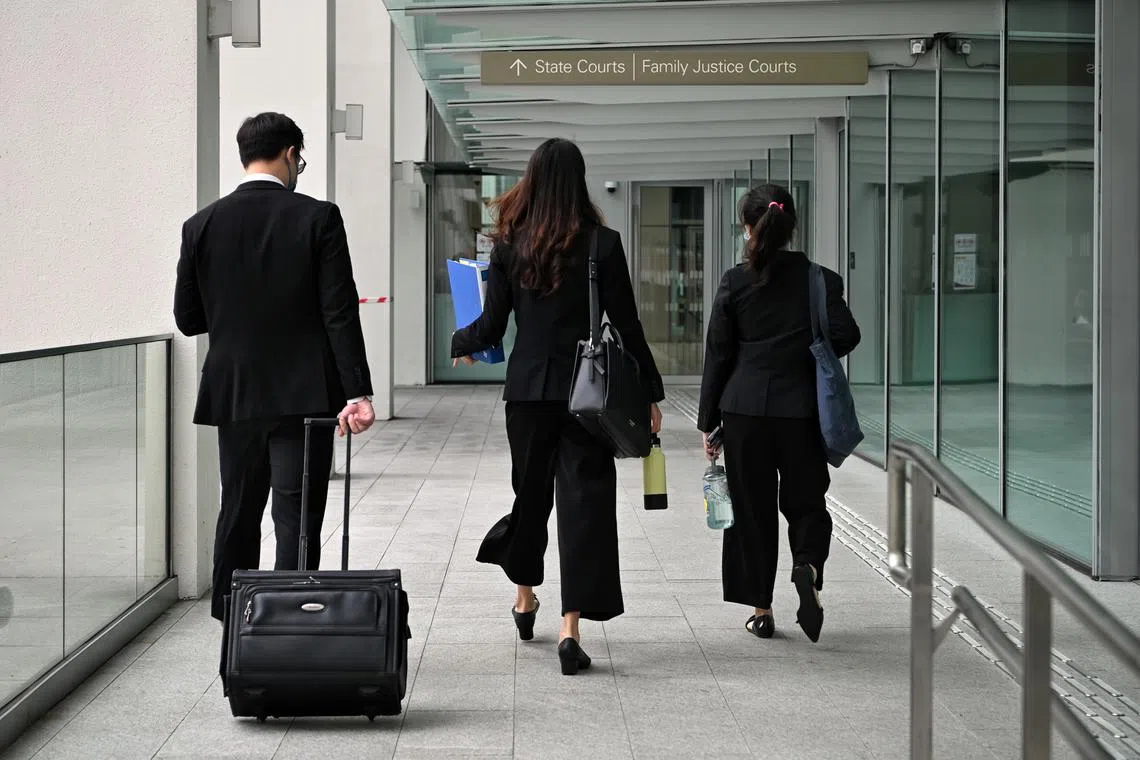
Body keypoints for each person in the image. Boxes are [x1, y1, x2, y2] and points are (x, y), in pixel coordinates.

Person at [451, 138, 665, 675]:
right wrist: (652, 392)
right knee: (584, 504)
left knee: (531, 494)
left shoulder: (509, 245)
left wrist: (461, 342)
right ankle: (571, 628)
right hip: (587, 394)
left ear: (533, 179)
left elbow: (493, 327)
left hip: (527, 391)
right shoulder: (603, 245)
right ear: (579, 181)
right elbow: (629, 325)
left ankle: (525, 596)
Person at [174, 112, 376, 622]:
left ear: (246, 155)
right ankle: (290, 616)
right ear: (291, 154)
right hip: (304, 395)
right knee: (298, 515)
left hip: (235, 392)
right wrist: (357, 392)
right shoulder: (318, 218)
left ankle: (231, 617)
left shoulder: (200, 225)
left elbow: (188, 318)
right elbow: (339, 311)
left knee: (238, 509)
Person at [697, 183, 860, 643]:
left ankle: (762, 609)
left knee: (752, 510)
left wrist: (709, 420)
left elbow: (718, 354)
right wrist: (811, 350)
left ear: (748, 226)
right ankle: (806, 564)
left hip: (745, 410)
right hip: (801, 412)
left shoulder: (735, 280)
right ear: (791, 226)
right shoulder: (819, 279)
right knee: (806, 501)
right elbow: (847, 335)